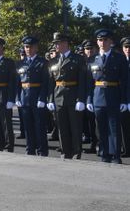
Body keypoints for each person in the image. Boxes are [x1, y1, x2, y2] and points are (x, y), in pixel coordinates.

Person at [86, 29, 127, 163]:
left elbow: (125, 81)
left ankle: (115, 155)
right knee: (101, 128)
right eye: (99, 40)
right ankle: (104, 153)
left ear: (110, 41)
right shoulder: (92, 59)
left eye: (105, 40)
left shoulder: (119, 58)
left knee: (114, 128)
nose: (102, 43)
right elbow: (88, 82)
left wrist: (125, 100)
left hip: (113, 95)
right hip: (97, 97)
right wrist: (88, 100)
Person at [46, 32, 87, 159]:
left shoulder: (78, 59)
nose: (56, 46)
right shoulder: (53, 61)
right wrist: (50, 99)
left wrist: (81, 99)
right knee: (61, 127)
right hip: (58, 97)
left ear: (65, 43)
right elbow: (50, 83)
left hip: (73, 96)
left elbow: (83, 81)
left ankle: (76, 151)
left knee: (75, 126)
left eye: (58, 43)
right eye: (55, 44)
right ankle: (65, 151)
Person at [15, 36, 49, 156]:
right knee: (28, 127)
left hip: (37, 97)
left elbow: (46, 83)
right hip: (24, 98)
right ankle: (30, 149)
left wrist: (42, 98)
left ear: (36, 47)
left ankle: (42, 150)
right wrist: (17, 98)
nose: (28, 49)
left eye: (30, 46)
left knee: (40, 126)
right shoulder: (20, 63)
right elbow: (18, 83)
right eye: (26, 47)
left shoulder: (43, 63)